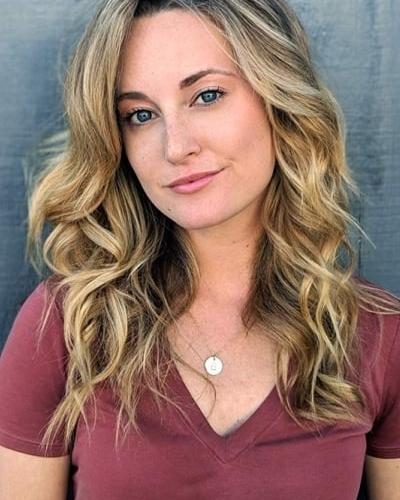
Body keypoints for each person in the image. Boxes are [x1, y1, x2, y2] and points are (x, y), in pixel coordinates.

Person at [0, 0, 399, 498]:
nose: (176, 147)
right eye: (140, 115)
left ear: (278, 101)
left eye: (207, 95)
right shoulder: (65, 326)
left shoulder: (379, 335)